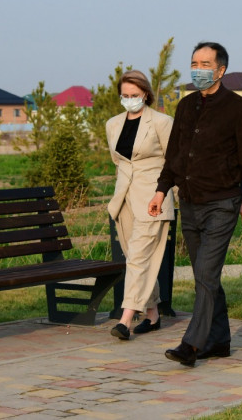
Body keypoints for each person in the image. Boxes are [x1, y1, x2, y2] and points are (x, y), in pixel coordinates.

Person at [148, 42, 242, 366]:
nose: (197, 70)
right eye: (194, 63)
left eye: (205, 64)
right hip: (190, 203)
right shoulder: (186, 106)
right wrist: (161, 190)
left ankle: (192, 344)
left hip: (222, 203)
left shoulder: (238, 109)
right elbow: (175, 154)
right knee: (205, 275)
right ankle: (220, 340)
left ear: (220, 70)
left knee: (206, 274)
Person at [106, 70, 174, 340]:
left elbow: (173, 162)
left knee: (137, 257)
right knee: (137, 259)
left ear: (146, 94)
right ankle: (153, 314)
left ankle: (125, 320)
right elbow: (118, 161)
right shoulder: (113, 124)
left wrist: (163, 193)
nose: (129, 99)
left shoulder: (162, 122)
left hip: (153, 198)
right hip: (123, 199)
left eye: (134, 95)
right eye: (124, 95)